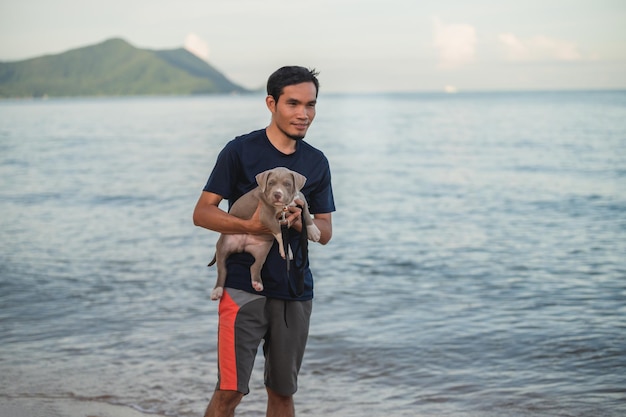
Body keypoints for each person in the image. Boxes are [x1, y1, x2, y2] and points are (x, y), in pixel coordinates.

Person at [193, 66, 335, 417]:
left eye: (311, 105)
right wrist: (253, 226)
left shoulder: (316, 163)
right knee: (230, 391)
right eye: (293, 103)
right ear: (271, 103)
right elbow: (203, 213)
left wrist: (301, 223)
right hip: (243, 288)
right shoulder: (240, 151)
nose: (304, 114)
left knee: (283, 394)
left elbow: (326, 231)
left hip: (295, 290)